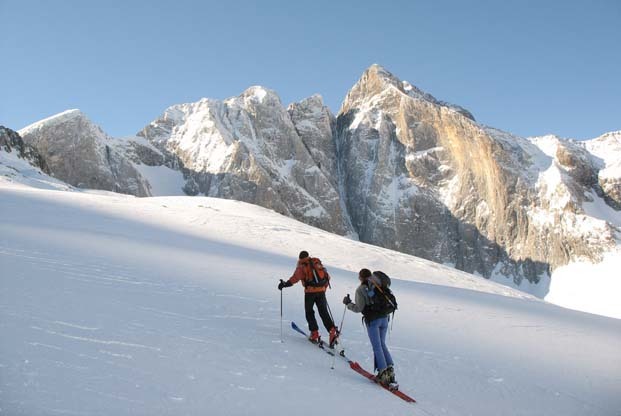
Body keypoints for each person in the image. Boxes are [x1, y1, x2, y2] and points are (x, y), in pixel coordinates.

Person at [343, 268, 397, 387]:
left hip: (373, 321)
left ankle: (383, 373)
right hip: (384, 319)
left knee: (377, 346)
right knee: (382, 344)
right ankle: (390, 371)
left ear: (360, 277)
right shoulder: (379, 286)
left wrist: (348, 304)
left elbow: (359, 308)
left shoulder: (361, 289)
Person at [278, 251, 339, 346]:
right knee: (323, 312)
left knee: (309, 312)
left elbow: (295, 278)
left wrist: (284, 284)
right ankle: (332, 331)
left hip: (310, 292)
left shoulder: (302, 266)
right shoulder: (316, 263)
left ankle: (314, 333)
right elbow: (327, 277)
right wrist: (323, 289)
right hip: (321, 291)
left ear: (300, 258)